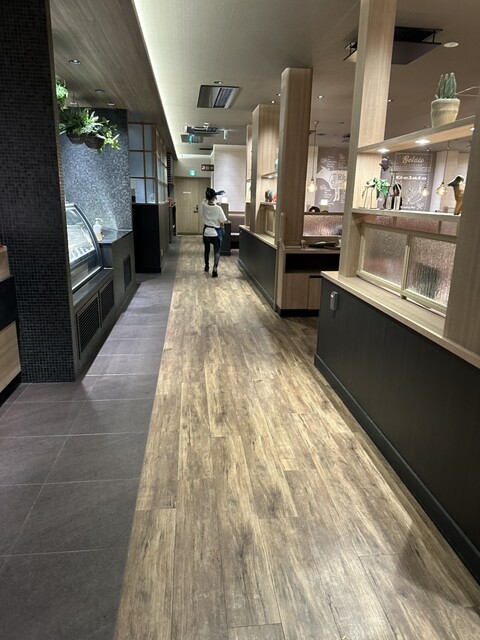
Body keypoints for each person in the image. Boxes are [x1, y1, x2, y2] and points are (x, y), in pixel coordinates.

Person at [201, 187, 227, 277]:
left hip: (206, 232)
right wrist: (222, 229)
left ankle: (206, 266)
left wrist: (212, 194)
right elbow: (222, 222)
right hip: (216, 233)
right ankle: (215, 269)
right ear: (215, 197)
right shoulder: (218, 208)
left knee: (207, 250)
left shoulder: (204, 206)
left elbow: (204, 200)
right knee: (217, 251)